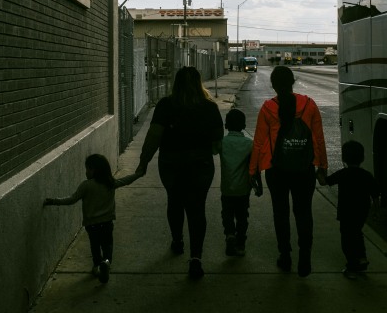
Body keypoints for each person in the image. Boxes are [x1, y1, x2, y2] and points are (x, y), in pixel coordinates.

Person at [135, 66, 224, 279]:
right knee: (197, 208)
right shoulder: (209, 107)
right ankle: (196, 258)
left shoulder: (166, 105)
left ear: (176, 83)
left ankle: (177, 241)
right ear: (198, 82)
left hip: (171, 163)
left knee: (174, 202)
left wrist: (143, 163)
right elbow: (217, 142)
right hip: (200, 164)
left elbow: (154, 136)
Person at [249, 65, 328, 277]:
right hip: (304, 169)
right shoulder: (309, 105)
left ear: (273, 85)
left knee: (280, 212)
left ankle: (285, 256)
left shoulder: (268, 108)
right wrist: (322, 166)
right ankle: (305, 257)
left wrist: (254, 170)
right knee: (304, 212)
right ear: (293, 82)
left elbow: (258, 142)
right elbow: (319, 138)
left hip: (277, 170)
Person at [44, 153, 139, 284]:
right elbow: (126, 180)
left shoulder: (86, 185)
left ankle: (97, 266)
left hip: (92, 225)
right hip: (107, 223)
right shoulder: (110, 183)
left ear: (94, 170)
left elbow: (71, 199)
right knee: (107, 245)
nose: (86, 172)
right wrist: (138, 174)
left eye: (88, 168)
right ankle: (106, 262)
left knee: (95, 247)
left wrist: (53, 201)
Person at [322, 140, 380, 279]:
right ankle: (361, 257)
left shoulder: (342, 174)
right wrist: (375, 210)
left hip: (346, 210)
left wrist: (319, 171)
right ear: (362, 158)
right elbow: (375, 194)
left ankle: (352, 266)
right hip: (361, 211)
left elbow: (325, 181)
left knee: (347, 238)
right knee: (357, 233)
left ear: (344, 158)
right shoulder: (366, 175)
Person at [218, 108, 254, 257]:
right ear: (244, 125)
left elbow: (213, 150)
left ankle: (230, 234)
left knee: (227, 213)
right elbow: (253, 167)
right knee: (242, 216)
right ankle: (240, 244)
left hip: (227, 188)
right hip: (243, 188)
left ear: (226, 125)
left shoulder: (222, 143)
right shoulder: (249, 144)